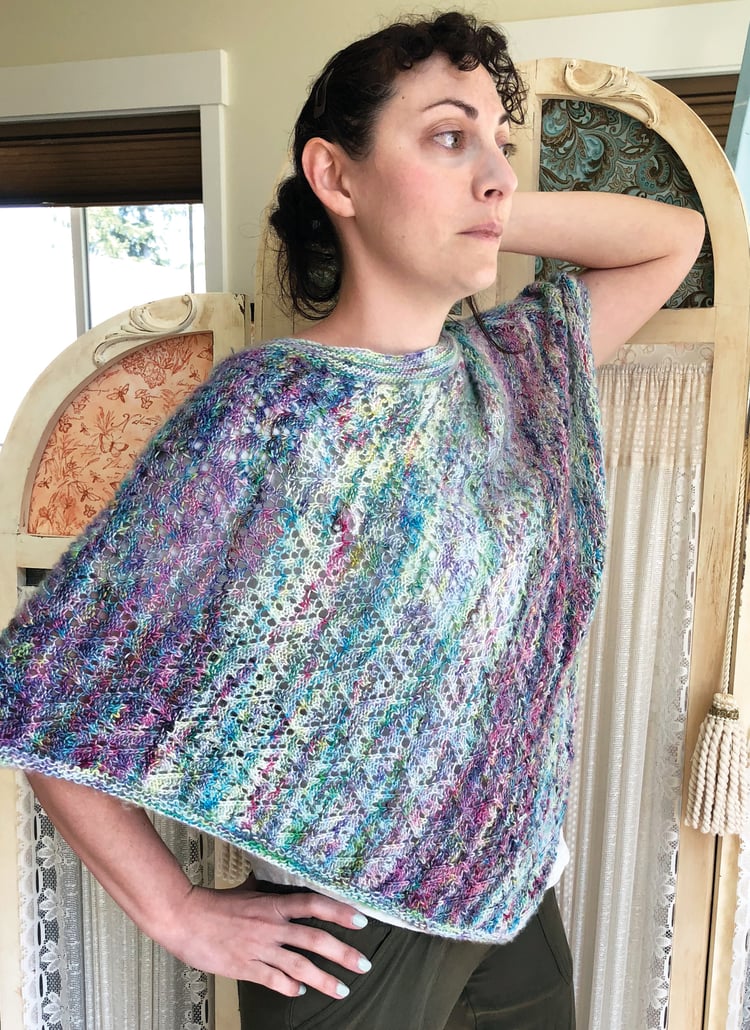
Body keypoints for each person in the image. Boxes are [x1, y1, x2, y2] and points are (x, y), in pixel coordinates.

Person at [0, 11, 704, 1030]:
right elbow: (44, 689)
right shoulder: (265, 417)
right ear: (336, 176)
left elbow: (672, 241)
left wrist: (483, 203)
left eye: (499, 143)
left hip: (508, 895)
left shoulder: (507, 373)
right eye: (449, 136)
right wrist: (176, 911)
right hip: (344, 939)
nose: (495, 173)